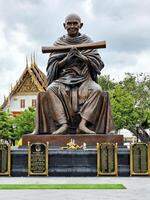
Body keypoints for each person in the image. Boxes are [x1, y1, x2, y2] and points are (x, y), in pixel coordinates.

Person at [35, 14, 113, 135]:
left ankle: (83, 124)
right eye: (69, 23)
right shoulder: (59, 42)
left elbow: (98, 64)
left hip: (84, 79)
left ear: (80, 25)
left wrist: (82, 57)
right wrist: (66, 59)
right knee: (50, 89)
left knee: (97, 89)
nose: (72, 26)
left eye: (75, 23)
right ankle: (63, 124)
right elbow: (52, 66)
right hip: (64, 79)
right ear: (64, 25)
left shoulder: (87, 42)